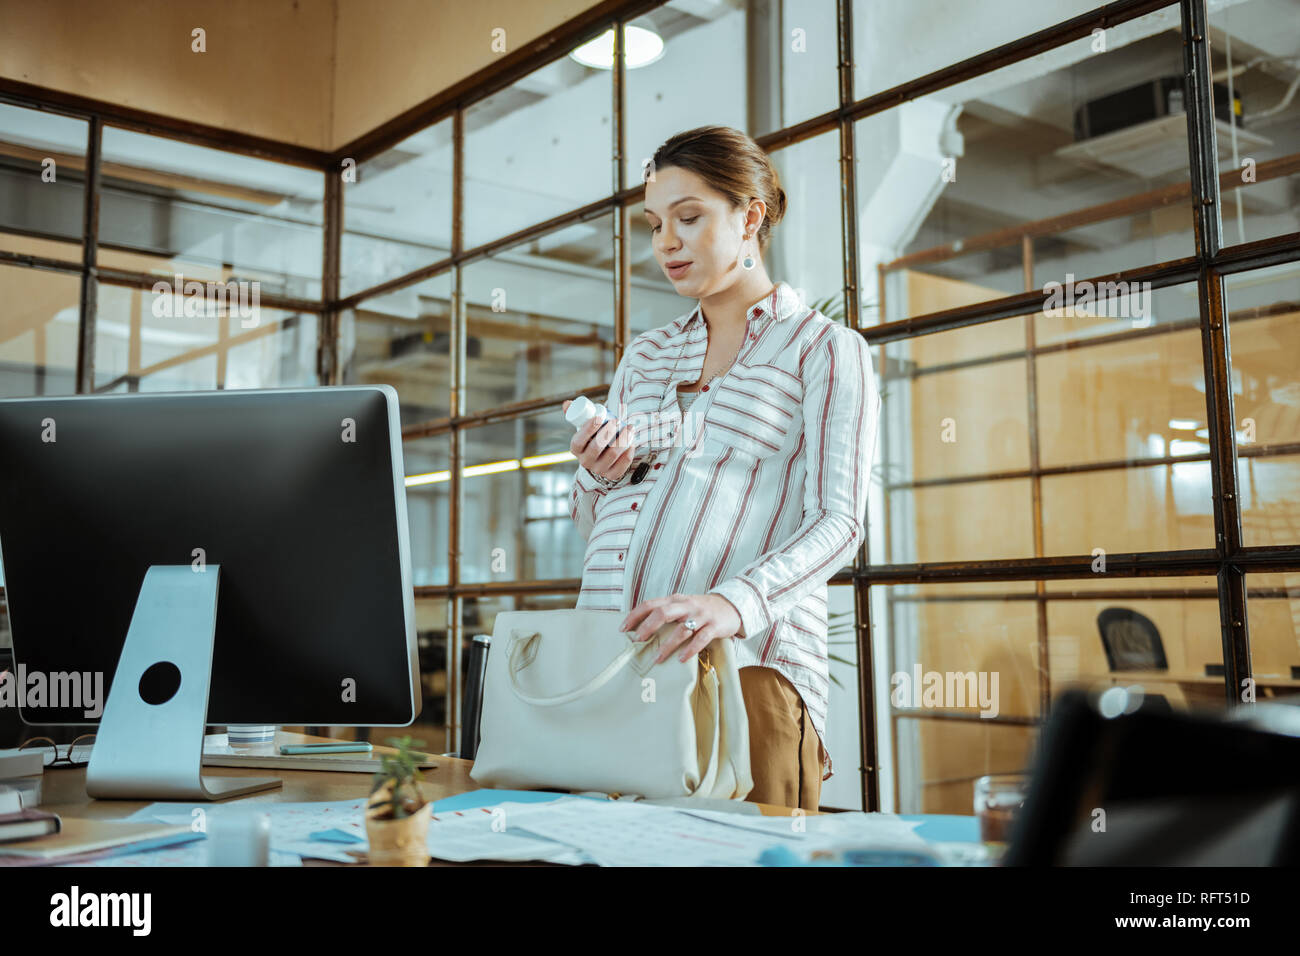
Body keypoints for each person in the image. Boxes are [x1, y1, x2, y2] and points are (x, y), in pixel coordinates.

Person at [564, 125, 880, 810]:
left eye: (689, 217)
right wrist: (597, 474)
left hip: (745, 678)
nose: (666, 243)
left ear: (750, 216)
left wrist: (733, 604)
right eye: (654, 225)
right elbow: (594, 525)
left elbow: (840, 521)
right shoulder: (644, 357)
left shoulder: (825, 350)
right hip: (612, 675)